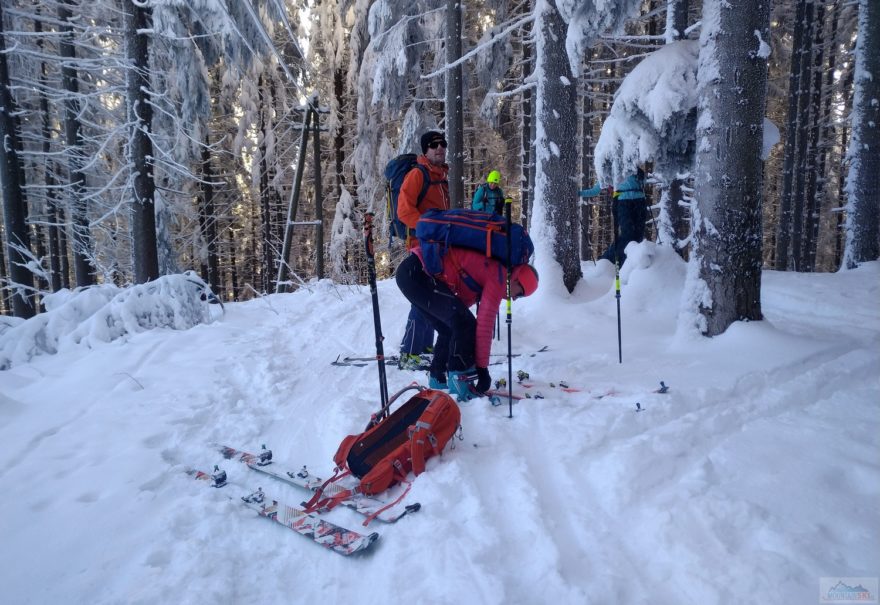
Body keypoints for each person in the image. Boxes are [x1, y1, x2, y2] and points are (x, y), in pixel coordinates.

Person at [395, 245, 539, 401]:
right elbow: (484, 326)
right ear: (516, 279)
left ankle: (438, 379)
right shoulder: (498, 276)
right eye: (521, 293)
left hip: (412, 274)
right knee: (465, 325)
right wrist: (482, 369)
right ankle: (459, 381)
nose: (515, 298)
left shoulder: (489, 274)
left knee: (451, 328)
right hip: (418, 274)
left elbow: (458, 311)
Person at [396, 130, 451, 370]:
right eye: (433, 145)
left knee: (433, 295)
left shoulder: (440, 176)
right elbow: (404, 211)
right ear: (425, 150)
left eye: (442, 144)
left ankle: (425, 347)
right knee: (422, 297)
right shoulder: (418, 174)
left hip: (437, 247)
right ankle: (410, 353)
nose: (439, 148)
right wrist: (428, 229)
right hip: (421, 247)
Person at [579, 167, 648, 267]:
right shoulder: (610, 168)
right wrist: (578, 193)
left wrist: (642, 175)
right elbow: (595, 190)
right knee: (627, 235)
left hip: (640, 201)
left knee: (638, 236)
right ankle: (606, 260)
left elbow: (643, 182)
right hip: (623, 203)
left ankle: (627, 265)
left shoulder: (633, 166)